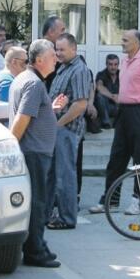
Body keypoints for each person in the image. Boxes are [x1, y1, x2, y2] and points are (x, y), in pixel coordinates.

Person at [89, 29, 140, 214]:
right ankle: (111, 200)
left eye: (125, 40)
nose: (122, 43)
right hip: (124, 113)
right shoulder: (125, 61)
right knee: (116, 158)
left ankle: (139, 200)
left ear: (136, 43)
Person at [9, 39, 67, 268]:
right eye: (53, 55)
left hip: (34, 152)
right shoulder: (33, 84)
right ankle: (35, 250)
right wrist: (11, 150)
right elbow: (22, 119)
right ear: (40, 59)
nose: (56, 58)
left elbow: (30, 114)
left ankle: (38, 246)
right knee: (37, 203)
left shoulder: (26, 79)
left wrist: (49, 110)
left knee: (38, 201)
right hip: (33, 154)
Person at [47, 34, 92, 230]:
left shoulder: (79, 70)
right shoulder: (63, 68)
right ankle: (48, 214)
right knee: (53, 174)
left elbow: (80, 105)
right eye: (56, 49)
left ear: (74, 49)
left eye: (62, 49)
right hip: (58, 128)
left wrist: (59, 124)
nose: (58, 53)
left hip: (67, 129)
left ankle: (66, 218)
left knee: (65, 175)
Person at [0, 46, 28, 120]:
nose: (26, 66)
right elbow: (5, 116)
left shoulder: (3, 78)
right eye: (25, 62)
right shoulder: (7, 83)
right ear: (14, 62)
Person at [93, 54, 120, 131]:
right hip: (105, 107)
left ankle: (117, 124)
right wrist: (113, 97)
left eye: (115, 64)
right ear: (106, 64)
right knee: (99, 96)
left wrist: (121, 97)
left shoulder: (122, 74)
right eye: (110, 64)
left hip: (118, 107)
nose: (113, 67)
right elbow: (99, 86)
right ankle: (106, 123)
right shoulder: (101, 74)